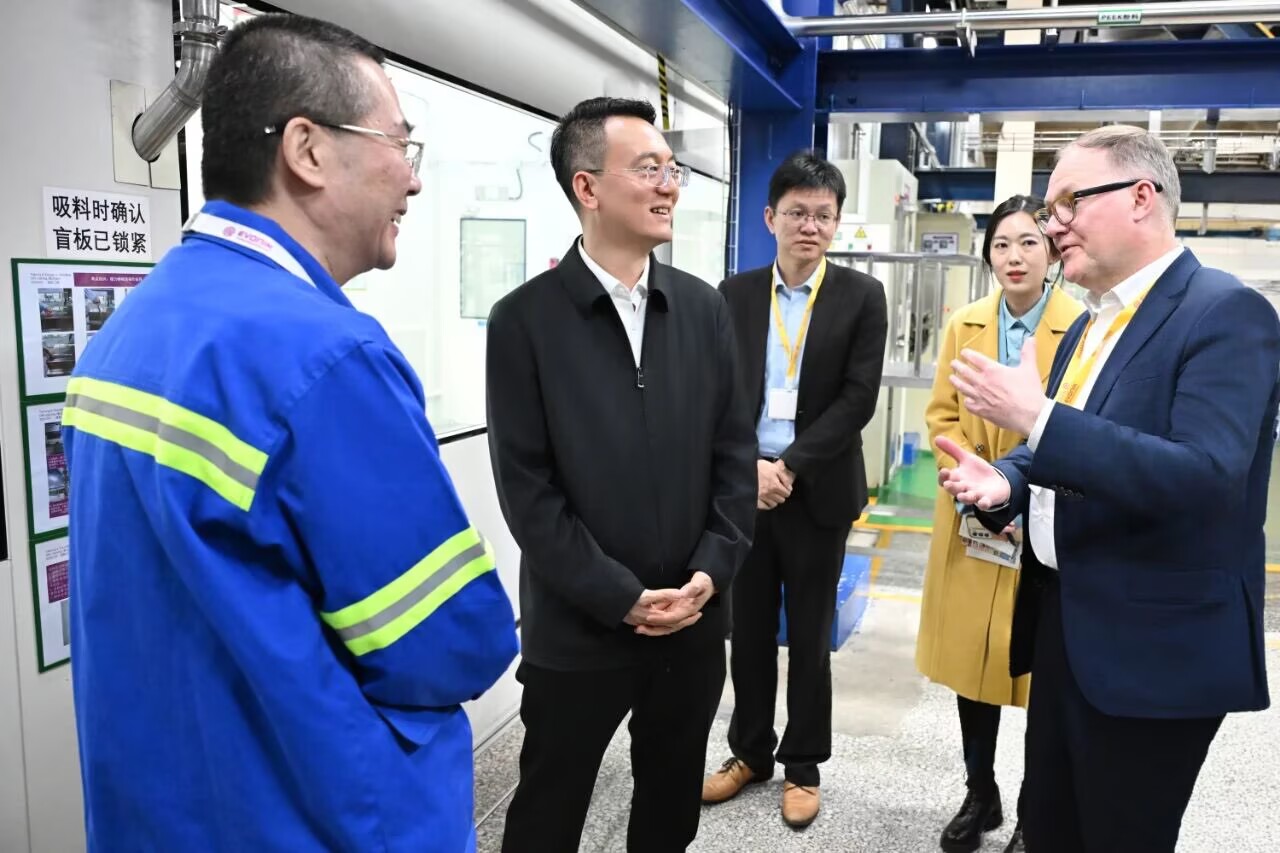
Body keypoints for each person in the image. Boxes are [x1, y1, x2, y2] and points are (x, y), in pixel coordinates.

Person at [62, 14, 518, 851]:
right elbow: (454, 642)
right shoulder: (325, 357)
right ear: (306, 149)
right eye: (399, 143)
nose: (413, 180)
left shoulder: (127, 334)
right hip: (311, 816)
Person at [939, 125, 1280, 853]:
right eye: (1050, 208)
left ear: (1141, 197)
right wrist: (1005, 480)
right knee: (1051, 824)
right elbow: (1058, 449)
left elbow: (1206, 475)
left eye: (1069, 202)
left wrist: (1035, 418)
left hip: (1152, 649)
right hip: (1068, 624)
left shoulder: (1225, 313)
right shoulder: (1091, 325)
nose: (1052, 224)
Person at [486, 97, 757, 852]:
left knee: (669, 811)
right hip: (579, 629)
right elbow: (528, 491)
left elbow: (734, 459)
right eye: (647, 168)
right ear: (587, 187)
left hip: (693, 624)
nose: (669, 184)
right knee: (548, 813)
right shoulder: (524, 321)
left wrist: (710, 573)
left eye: (673, 169)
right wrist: (620, 596)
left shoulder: (702, 310)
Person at [701, 151, 887, 828]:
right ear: (769, 217)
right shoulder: (734, 294)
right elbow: (717, 391)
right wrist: (751, 467)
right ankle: (749, 751)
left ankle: (803, 764)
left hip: (817, 490)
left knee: (809, 635)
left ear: (836, 223)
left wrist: (790, 466)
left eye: (823, 215)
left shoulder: (862, 296)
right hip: (745, 491)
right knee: (747, 630)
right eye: (797, 212)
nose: (810, 226)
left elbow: (857, 397)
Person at [916, 195, 1081, 853]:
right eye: (1002, 244)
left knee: (1043, 677)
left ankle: (1035, 813)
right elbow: (941, 415)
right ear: (988, 254)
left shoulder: (1081, 327)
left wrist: (1017, 500)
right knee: (972, 667)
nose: (1015, 256)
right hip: (972, 523)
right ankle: (979, 792)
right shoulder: (965, 324)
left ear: (1052, 253)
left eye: (1029, 243)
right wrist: (977, 495)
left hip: (1040, 523)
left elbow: (1076, 428)